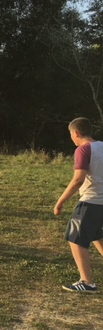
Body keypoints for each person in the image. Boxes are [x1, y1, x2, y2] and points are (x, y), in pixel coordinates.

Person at [54, 117, 103, 293]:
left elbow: (78, 179)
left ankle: (87, 282)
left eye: (70, 135)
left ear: (76, 133)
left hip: (91, 200)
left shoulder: (83, 150)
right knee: (96, 234)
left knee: (75, 237)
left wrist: (60, 201)